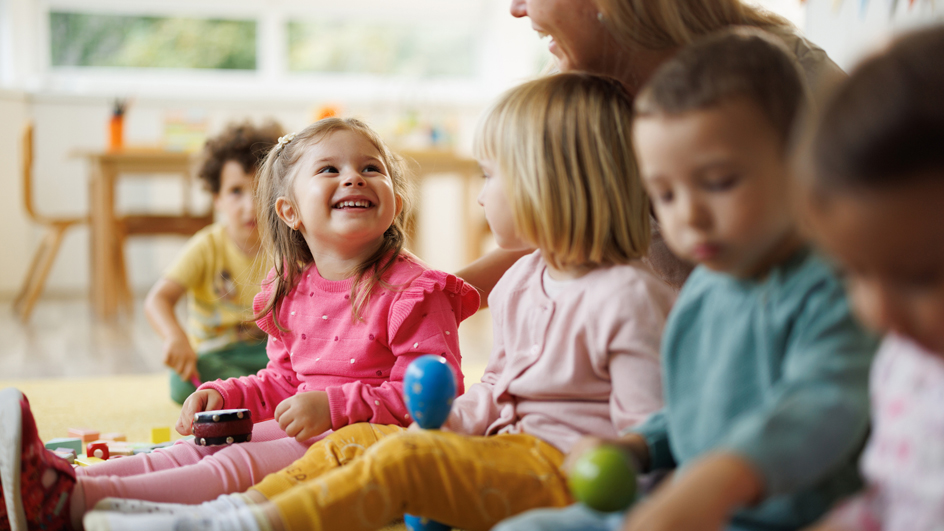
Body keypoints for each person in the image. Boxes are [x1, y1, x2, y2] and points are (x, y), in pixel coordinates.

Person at [82, 73, 675, 531]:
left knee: (397, 459)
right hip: (502, 448)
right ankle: (149, 501)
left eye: (490, 176)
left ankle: (240, 520)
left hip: (562, 473)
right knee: (348, 445)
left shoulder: (629, 297)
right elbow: (494, 391)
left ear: (554, 186)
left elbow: (648, 434)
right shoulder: (522, 280)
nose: (480, 196)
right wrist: (445, 429)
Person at [0, 117, 479, 531]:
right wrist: (228, 395)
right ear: (290, 212)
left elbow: (434, 400)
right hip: (310, 428)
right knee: (205, 446)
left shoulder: (417, 291)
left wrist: (333, 407)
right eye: (330, 169)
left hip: (366, 445)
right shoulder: (292, 287)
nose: (354, 177)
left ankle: (71, 509)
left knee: (235, 462)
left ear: (395, 201)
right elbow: (281, 382)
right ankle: (63, 484)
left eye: (370, 167)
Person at [495, 28, 877, 531]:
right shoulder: (706, 285)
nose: (690, 216)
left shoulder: (835, 288)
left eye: (718, 182)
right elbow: (701, 414)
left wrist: (720, 478)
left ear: (800, 164)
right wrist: (639, 445)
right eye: (666, 195)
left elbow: (824, 408)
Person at [458, 0, 845, 300]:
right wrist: (439, 293)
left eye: (720, 181)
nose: (516, 8)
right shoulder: (578, 88)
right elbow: (561, 225)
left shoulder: (799, 87)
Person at [796, 26, 944, 531]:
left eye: (921, 277)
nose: (878, 312)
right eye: (852, 273)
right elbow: (890, 501)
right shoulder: (906, 362)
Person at [145, 120, 282, 405]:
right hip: (217, 357)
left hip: (269, 353)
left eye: (261, 192)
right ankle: (255, 394)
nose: (250, 206)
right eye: (235, 192)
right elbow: (157, 300)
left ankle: (254, 393)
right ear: (216, 198)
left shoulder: (288, 246)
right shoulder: (206, 247)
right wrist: (175, 336)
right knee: (182, 383)